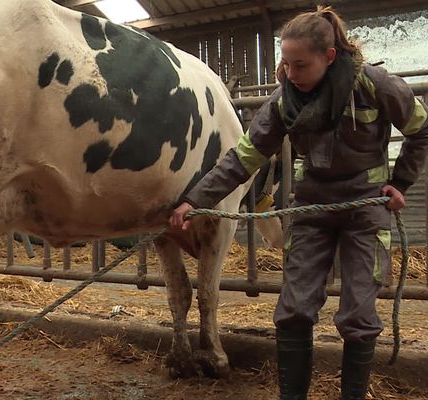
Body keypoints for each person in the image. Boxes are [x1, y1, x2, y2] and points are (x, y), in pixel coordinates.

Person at [170, 6, 428, 400]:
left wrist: (400, 183)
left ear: (329, 57)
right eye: (285, 64)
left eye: (300, 65)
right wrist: (195, 200)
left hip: (365, 208)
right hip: (311, 208)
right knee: (293, 312)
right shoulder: (283, 101)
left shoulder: (374, 84)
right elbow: (245, 157)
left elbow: (420, 130)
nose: (290, 74)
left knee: (358, 315)